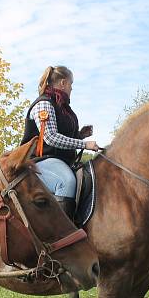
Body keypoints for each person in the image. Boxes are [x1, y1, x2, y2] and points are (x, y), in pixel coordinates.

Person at [20, 66, 100, 217]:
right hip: (38, 162)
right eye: (71, 84)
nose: (71, 89)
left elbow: (60, 137)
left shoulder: (62, 107)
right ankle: (62, 236)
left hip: (60, 161)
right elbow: (51, 138)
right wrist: (84, 144)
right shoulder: (44, 104)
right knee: (66, 181)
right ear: (63, 83)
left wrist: (79, 135)